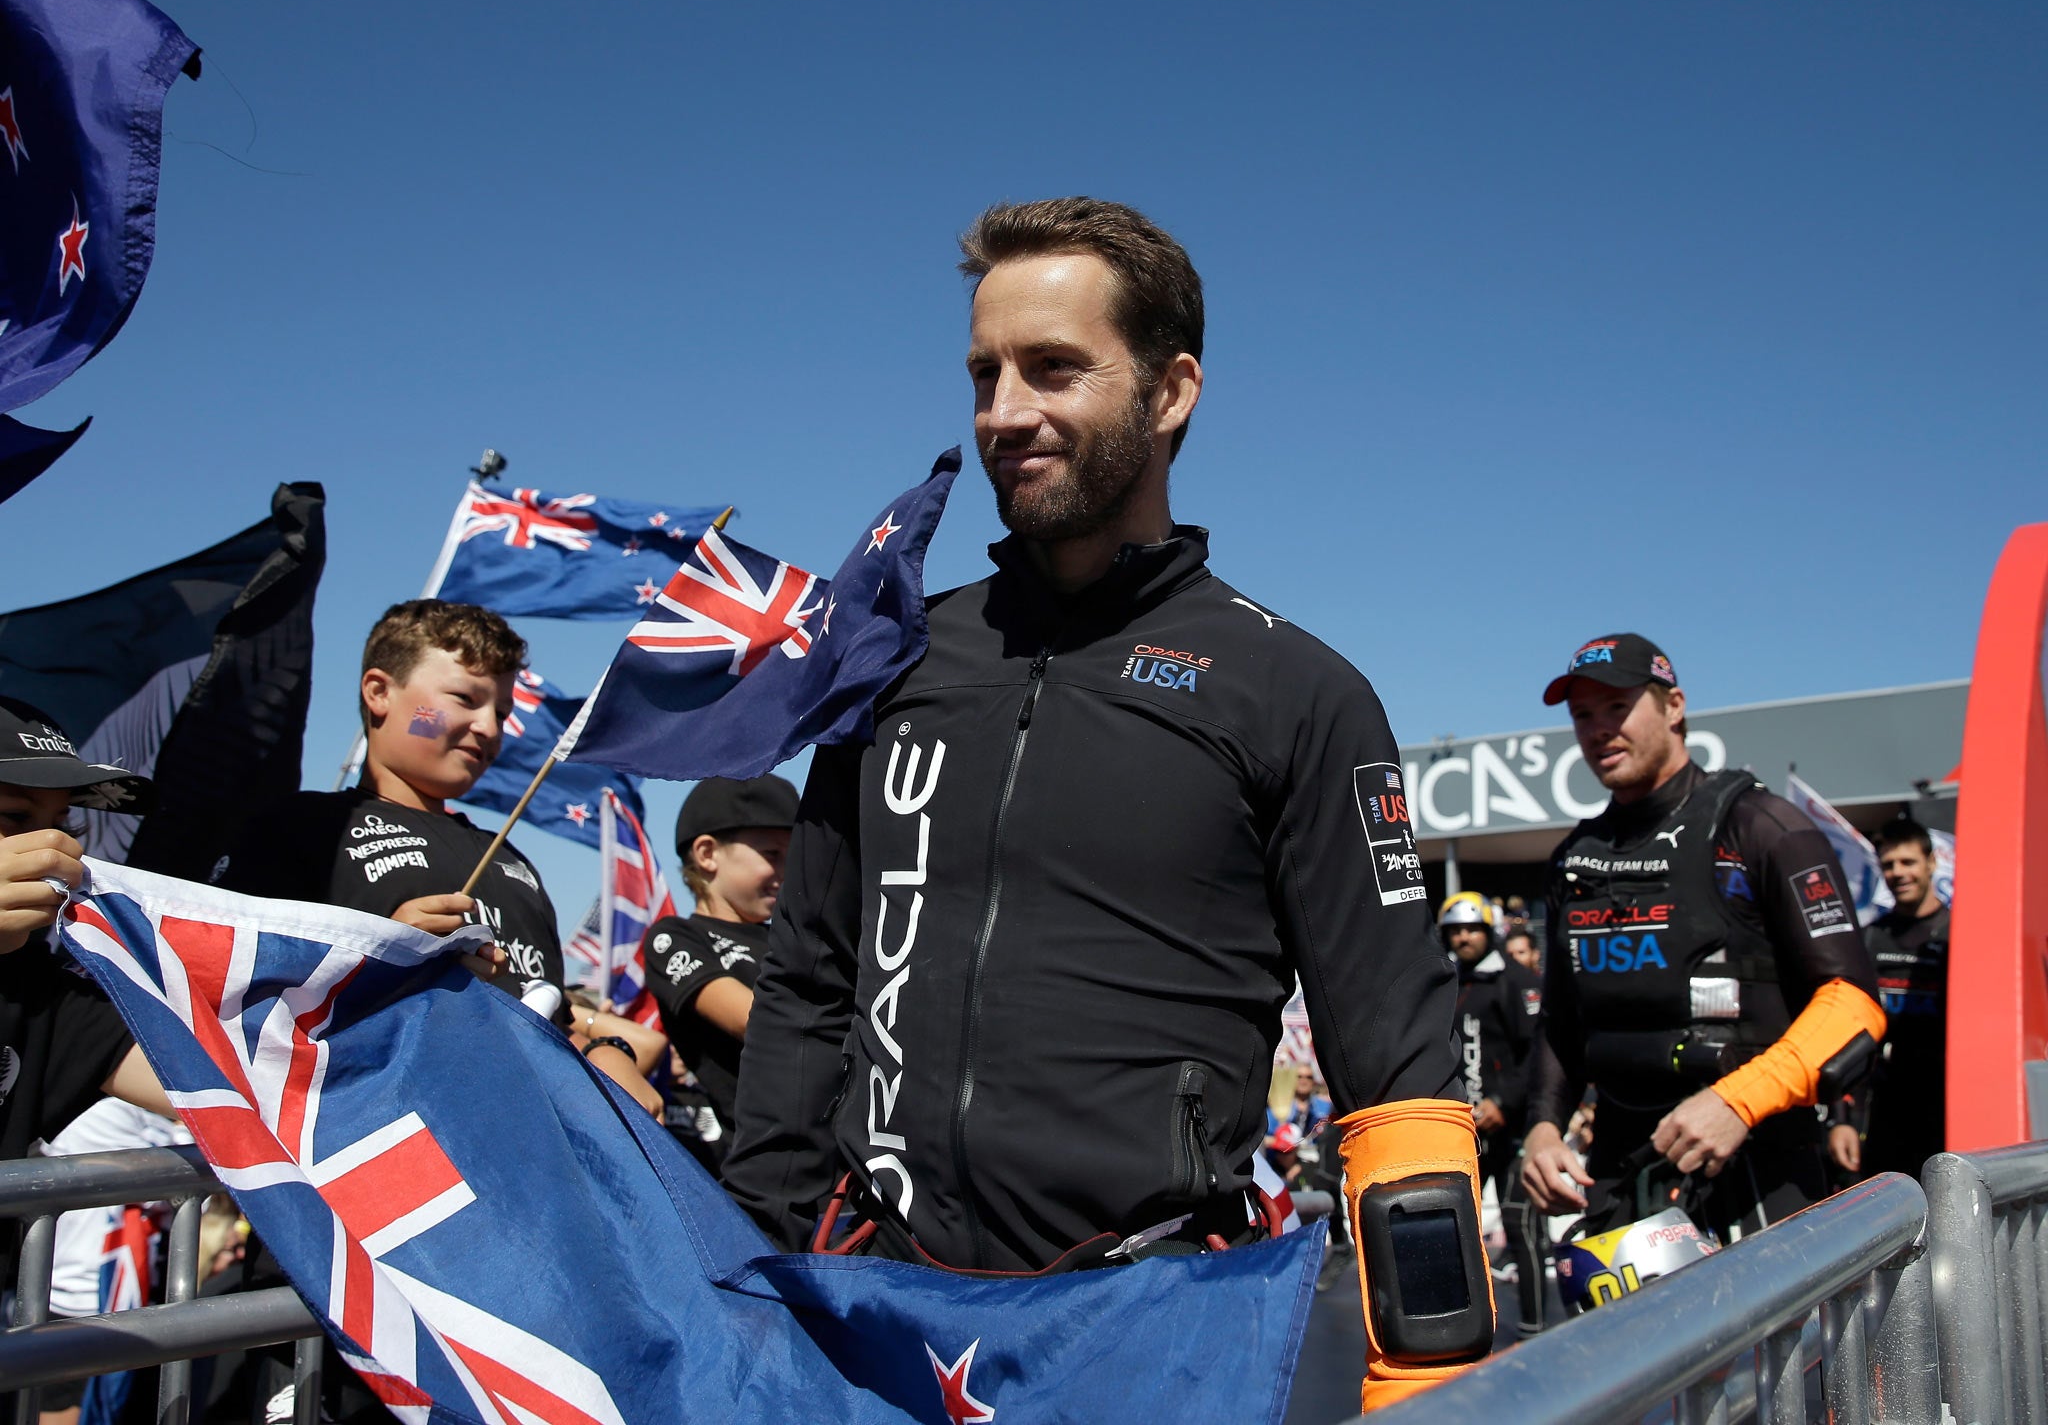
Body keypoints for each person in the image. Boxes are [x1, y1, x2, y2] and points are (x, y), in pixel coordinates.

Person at [725, 197, 1488, 1410]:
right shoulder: (895, 659)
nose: (1003, 414)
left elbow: (1396, 1064)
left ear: (1170, 391)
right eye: (983, 374)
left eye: (1053, 369)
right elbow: (810, 985)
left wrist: (1422, 1378)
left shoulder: (1295, 691)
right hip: (876, 1319)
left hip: (1150, 1333)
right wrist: (746, 1277)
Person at [210, 600, 654, 1111]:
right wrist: (381, 963)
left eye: (502, 712)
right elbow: (223, 1001)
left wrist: (606, 1049)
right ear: (379, 692)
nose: (490, 727)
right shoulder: (297, 829)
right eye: (465, 698)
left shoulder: (513, 863)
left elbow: (550, 1019)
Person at [1519, 635, 1887, 1242]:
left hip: (1757, 1169)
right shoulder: (1574, 861)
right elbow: (1562, 1022)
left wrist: (1739, 1101)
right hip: (1623, 1177)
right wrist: (1542, 1128)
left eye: (1616, 706)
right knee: (1630, 1342)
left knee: (1778, 1341)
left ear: (1674, 706)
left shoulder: (1763, 827)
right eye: (1582, 715)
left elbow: (1853, 1003)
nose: (1598, 730)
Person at [0, 697, 171, 1162]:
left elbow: (219, 1086)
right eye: (15, 817)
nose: (56, 848)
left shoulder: (41, 989)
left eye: (63, 824)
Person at [642, 775, 797, 1172]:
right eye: (773, 854)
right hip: (765, 1166)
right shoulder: (674, 938)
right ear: (708, 853)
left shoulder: (794, 939)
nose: (789, 871)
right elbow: (761, 1022)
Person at [1438, 891, 1546, 1338]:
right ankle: (1467, 1325)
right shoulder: (1449, 982)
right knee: (1457, 1223)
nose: (1463, 937)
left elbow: (1537, 1053)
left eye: (1471, 929)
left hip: (1514, 1126)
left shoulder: (1516, 979)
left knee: (1522, 1224)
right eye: (1455, 931)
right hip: (1465, 1129)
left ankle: (1535, 1325)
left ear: (1488, 930)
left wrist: (1504, 1103)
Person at [1829, 819, 1949, 1179]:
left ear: (1931, 863)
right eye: (1889, 865)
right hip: (1885, 1107)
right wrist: (1841, 1119)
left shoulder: (1959, 934)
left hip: (1945, 1102)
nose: (1899, 873)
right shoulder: (1869, 939)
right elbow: (1846, 1034)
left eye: (1908, 862)